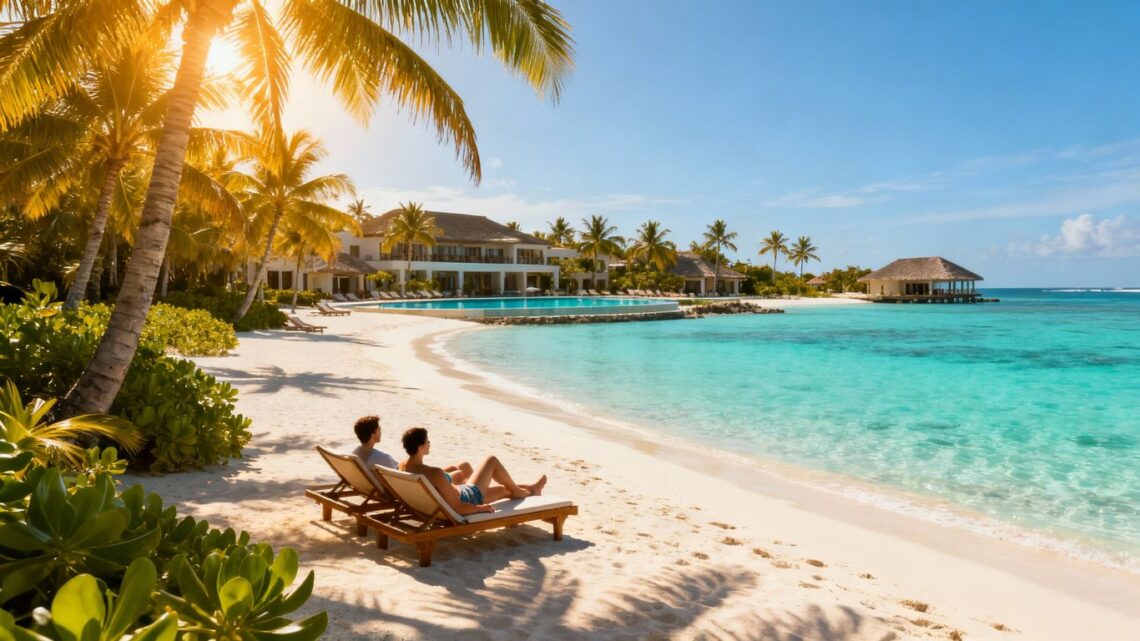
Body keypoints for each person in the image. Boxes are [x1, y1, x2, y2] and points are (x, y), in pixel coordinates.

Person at [400, 427, 546, 515]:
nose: (429, 444)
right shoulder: (435, 473)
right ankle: (521, 491)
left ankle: (531, 489)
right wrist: (480, 508)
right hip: (469, 498)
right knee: (491, 460)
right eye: (427, 441)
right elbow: (457, 507)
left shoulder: (403, 466)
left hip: (451, 497)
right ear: (420, 447)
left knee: (505, 490)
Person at [352, 416, 471, 483]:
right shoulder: (380, 459)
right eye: (379, 429)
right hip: (411, 482)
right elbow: (400, 474)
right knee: (461, 471)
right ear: (373, 434)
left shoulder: (355, 453)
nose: (381, 431)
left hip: (410, 479)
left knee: (457, 467)